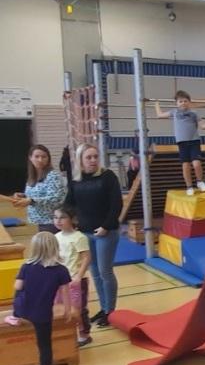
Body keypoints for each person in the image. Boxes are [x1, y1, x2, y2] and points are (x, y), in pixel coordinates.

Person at [64, 144, 123, 327]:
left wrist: (106, 226)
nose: (93, 160)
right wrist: (71, 223)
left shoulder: (108, 177)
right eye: (88, 157)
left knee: (105, 271)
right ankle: (104, 308)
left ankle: (110, 311)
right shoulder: (76, 180)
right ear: (81, 160)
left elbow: (116, 204)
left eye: (95, 156)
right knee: (95, 272)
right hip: (85, 233)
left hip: (106, 232)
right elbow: (69, 204)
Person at [4, 232, 72, 365]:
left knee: (19, 293)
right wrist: (67, 311)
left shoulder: (26, 266)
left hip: (23, 308)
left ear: (34, 248)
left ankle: (15, 316)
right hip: (42, 314)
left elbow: (18, 287)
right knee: (44, 345)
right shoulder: (61, 270)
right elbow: (65, 294)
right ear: (55, 248)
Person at [155, 90, 205, 196]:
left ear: (189, 102)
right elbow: (159, 115)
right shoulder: (174, 112)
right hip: (182, 142)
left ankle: (200, 182)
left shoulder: (194, 113)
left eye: (185, 101)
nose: (183, 103)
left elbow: (203, 126)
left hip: (194, 141)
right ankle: (189, 186)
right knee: (186, 165)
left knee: (196, 164)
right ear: (176, 103)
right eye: (180, 101)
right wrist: (156, 103)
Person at [53, 206, 92, 347]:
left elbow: (86, 258)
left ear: (73, 219)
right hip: (60, 280)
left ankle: (84, 334)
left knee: (78, 309)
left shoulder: (79, 237)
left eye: (62, 217)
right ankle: (66, 334)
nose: (58, 221)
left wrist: (78, 276)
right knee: (60, 307)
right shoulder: (56, 237)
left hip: (75, 280)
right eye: (55, 217)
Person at [12, 145, 66, 232]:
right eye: (37, 156)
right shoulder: (32, 176)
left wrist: (31, 201)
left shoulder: (53, 176)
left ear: (48, 159)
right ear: (30, 158)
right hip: (34, 222)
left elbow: (57, 199)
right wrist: (23, 196)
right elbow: (36, 194)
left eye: (44, 157)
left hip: (50, 223)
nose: (40, 160)